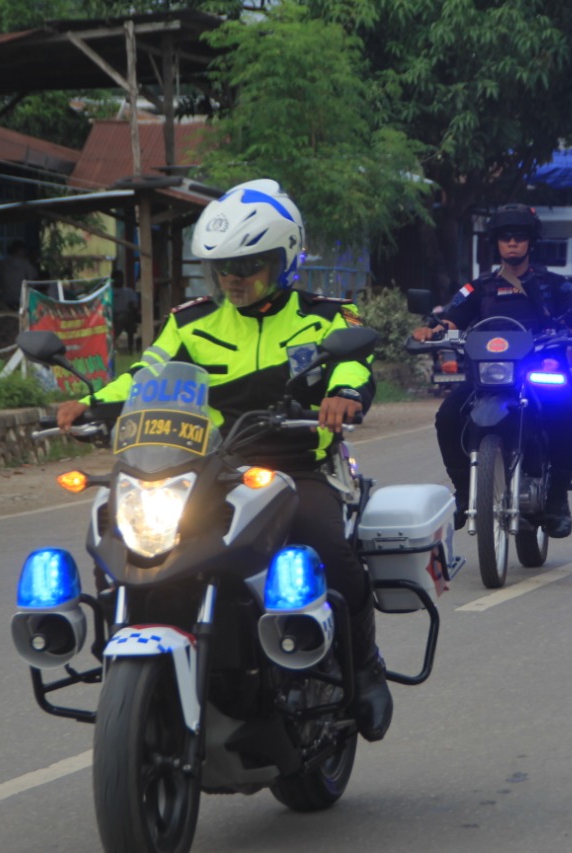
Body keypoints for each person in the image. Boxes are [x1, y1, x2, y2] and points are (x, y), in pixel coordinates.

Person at [56, 179, 392, 742]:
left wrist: (345, 396)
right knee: (121, 530)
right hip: (206, 464)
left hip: (294, 465)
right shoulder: (191, 322)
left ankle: (366, 668)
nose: (233, 280)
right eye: (223, 269)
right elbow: (146, 376)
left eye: (249, 266)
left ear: (284, 261)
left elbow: (354, 365)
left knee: (329, 549)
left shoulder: (325, 316)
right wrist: (89, 404)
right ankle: (125, 651)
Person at [411, 203, 572, 538]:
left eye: (519, 237)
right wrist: (431, 330)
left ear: (531, 242)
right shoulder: (479, 287)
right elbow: (450, 317)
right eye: (505, 238)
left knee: (565, 412)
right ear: (497, 243)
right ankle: (464, 492)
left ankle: (557, 499)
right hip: (489, 377)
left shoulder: (554, 284)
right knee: (448, 416)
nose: (512, 244)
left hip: (539, 371)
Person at [0, 241, 39, 310]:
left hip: (5, 298)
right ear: (19, 250)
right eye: (24, 251)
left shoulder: (3, 264)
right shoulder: (25, 264)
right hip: (22, 298)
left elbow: (0, 282)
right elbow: (32, 282)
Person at [110, 270, 140, 353]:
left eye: (121, 278)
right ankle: (110, 341)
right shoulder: (108, 292)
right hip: (111, 316)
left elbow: (135, 307)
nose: (120, 280)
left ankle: (113, 339)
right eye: (117, 278)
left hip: (125, 317)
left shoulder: (128, 292)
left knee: (125, 317)